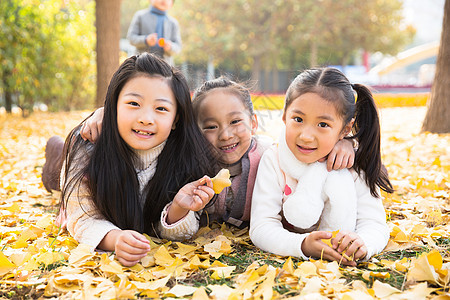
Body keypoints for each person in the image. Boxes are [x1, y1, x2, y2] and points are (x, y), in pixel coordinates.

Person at [74, 77, 356, 231]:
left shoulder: (271, 155)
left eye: (235, 122)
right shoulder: (188, 161)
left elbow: (313, 141)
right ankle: (56, 153)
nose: (225, 135)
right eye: (210, 127)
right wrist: (102, 115)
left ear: (253, 123)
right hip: (80, 159)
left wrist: (347, 144)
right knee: (58, 171)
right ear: (194, 131)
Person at [57, 53, 217, 267]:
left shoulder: (185, 154)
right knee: (56, 178)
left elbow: (171, 230)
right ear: (113, 106)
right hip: (72, 170)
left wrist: (178, 208)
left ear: (176, 119)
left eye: (161, 108)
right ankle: (55, 151)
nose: (146, 119)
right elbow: (82, 217)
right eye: (134, 103)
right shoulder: (88, 146)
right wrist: (114, 239)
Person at [250, 67, 393, 266]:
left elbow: (374, 224)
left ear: (345, 129)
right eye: (298, 120)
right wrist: (302, 245)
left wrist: (363, 243)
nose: (306, 136)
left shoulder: (353, 165)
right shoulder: (274, 160)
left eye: (323, 124)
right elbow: (261, 226)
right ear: (284, 117)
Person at [127, 0, 181, 65]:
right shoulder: (140, 16)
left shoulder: (173, 23)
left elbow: (178, 46)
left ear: (172, 4)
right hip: (141, 63)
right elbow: (131, 38)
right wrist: (145, 40)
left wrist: (170, 46)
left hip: (165, 66)